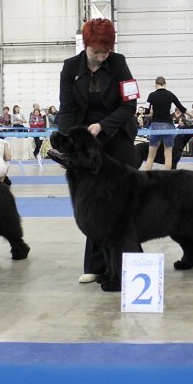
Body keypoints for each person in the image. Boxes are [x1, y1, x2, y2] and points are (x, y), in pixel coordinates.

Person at [58, 18, 138, 284]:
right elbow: (67, 110)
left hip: (117, 134)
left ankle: (131, 262)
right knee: (92, 205)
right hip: (86, 143)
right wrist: (71, 145)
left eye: (106, 51)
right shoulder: (70, 68)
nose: (102, 56)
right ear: (86, 45)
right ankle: (96, 266)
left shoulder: (118, 63)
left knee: (124, 204)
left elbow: (130, 105)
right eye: (96, 52)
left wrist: (102, 125)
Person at [142, 76, 193, 171]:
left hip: (155, 126)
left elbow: (146, 112)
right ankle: (167, 179)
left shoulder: (151, 95)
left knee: (150, 157)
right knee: (168, 155)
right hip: (168, 126)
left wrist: (151, 112)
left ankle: (146, 178)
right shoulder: (170, 94)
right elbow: (183, 109)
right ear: (165, 84)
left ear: (155, 84)